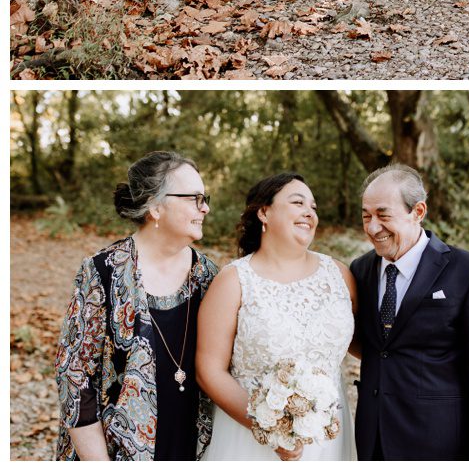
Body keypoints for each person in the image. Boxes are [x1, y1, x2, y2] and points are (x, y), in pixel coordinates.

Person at [55, 151, 219, 460]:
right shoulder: (102, 271)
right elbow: (75, 377)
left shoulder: (209, 276)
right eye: (194, 198)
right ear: (156, 207)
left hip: (193, 444)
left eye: (204, 197)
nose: (205, 208)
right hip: (113, 452)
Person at [351, 164, 469, 460]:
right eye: (366, 216)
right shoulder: (360, 270)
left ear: (418, 211)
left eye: (383, 215)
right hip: (372, 441)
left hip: (439, 444)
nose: (373, 227)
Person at [197, 173, 355, 461]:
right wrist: (268, 427)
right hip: (249, 440)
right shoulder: (233, 281)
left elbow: (369, 346)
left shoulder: (339, 275)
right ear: (264, 212)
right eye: (298, 202)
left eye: (314, 207)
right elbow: (209, 370)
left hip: (328, 439)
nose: (309, 212)